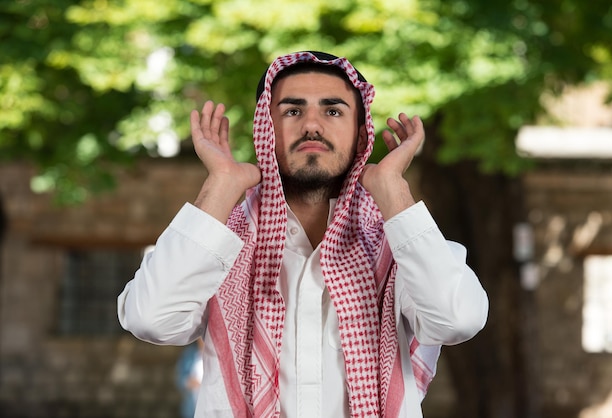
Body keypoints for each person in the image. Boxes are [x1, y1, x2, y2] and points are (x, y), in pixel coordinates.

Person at [117, 51, 488, 417]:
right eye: (292, 111)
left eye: (333, 111)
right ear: (266, 129)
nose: (312, 125)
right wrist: (221, 186)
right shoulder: (219, 240)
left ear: (362, 138)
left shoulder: (397, 241)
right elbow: (151, 319)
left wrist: (392, 189)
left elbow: (458, 319)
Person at [176, 339, 204, 418]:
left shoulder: (216, 356)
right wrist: (189, 382)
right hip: (192, 407)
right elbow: (180, 378)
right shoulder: (189, 354)